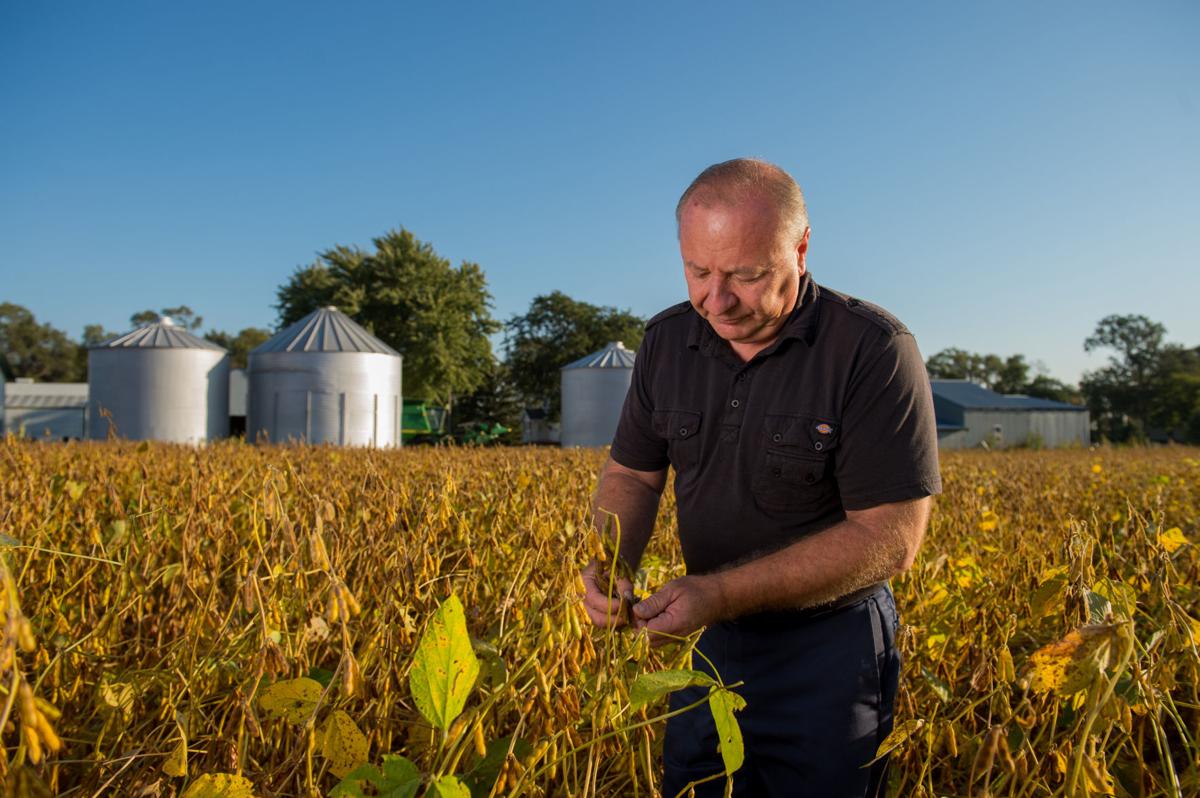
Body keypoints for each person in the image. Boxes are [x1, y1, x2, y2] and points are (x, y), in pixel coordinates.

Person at [579, 158, 941, 797]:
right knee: (698, 784)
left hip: (832, 651)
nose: (715, 301)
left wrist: (719, 594)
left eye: (746, 276)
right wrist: (609, 560)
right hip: (712, 639)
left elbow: (890, 537)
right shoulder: (666, 340)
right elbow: (632, 476)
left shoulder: (872, 349)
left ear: (800, 249)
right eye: (698, 271)